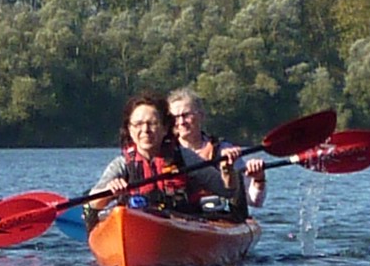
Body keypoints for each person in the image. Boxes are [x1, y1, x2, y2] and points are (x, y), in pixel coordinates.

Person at [85, 92, 194, 219]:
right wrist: (109, 191)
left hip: (177, 224)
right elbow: (93, 201)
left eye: (152, 123)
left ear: (165, 128)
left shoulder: (186, 158)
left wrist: (224, 170)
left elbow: (221, 187)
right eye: (138, 124)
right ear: (130, 130)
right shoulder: (122, 164)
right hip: (135, 222)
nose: (145, 130)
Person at [169, 87, 267, 218]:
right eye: (175, 117)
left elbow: (254, 201)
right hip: (177, 217)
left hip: (215, 218)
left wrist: (258, 178)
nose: (181, 122)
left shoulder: (224, 151)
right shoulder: (162, 153)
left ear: (201, 116)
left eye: (186, 115)